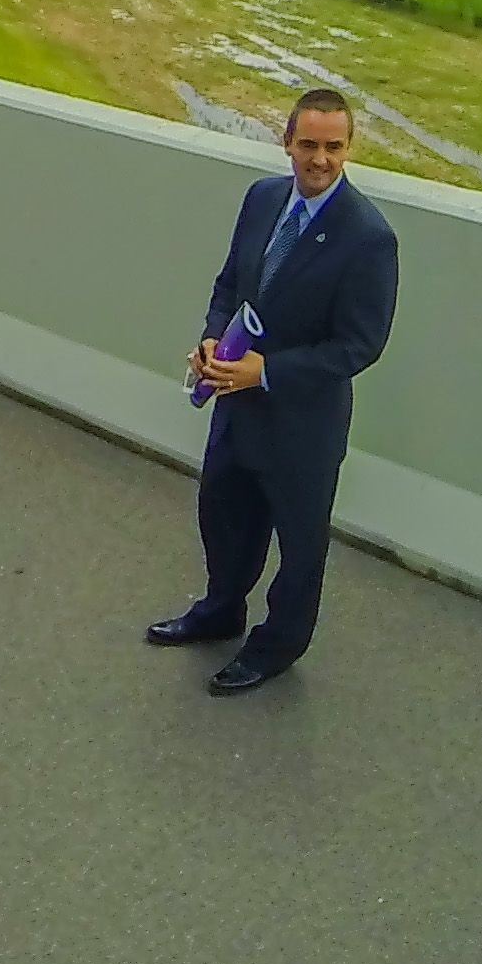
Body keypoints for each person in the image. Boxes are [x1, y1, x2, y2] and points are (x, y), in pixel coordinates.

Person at [145, 86, 401, 695]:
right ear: (286, 142)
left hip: (301, 427)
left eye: (333, 147)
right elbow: (232, 285)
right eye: (308, 144)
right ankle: (221, 609)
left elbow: (359, 346)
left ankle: (276, 646)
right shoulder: (261, 199)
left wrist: (266, 371)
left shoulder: (369, 237)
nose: (320, 159)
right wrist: (212, 341)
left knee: (298, 544)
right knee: (224, 514)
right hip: (235, 408)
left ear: (348, 148)